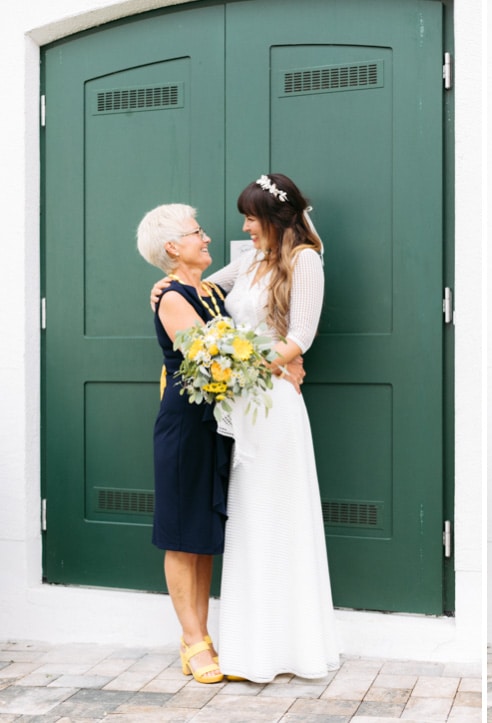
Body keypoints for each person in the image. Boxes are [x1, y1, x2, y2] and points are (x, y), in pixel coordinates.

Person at [200, 173, 340, 682]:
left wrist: (252, 368)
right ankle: (248, 646)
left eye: (252, 218)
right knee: (248, 517)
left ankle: (290, 648)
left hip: (274, 406)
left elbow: (300, 336)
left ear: (276, 219)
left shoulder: (305, 260)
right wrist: (168, 284)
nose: (244, 226)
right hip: (242, 403)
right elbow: (206, 292)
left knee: (277, 515)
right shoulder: (250, 260)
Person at [136, 204, 231, 684]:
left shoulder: (211, 289)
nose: (207, 238)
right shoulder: (172, 297)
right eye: (198, 233)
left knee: (205, 531)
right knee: (181, 530)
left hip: (216, 421)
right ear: (173, 246)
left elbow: (250, 273)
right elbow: (210, 358)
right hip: (184, 422)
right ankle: (193, 640)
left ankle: (203, 633)